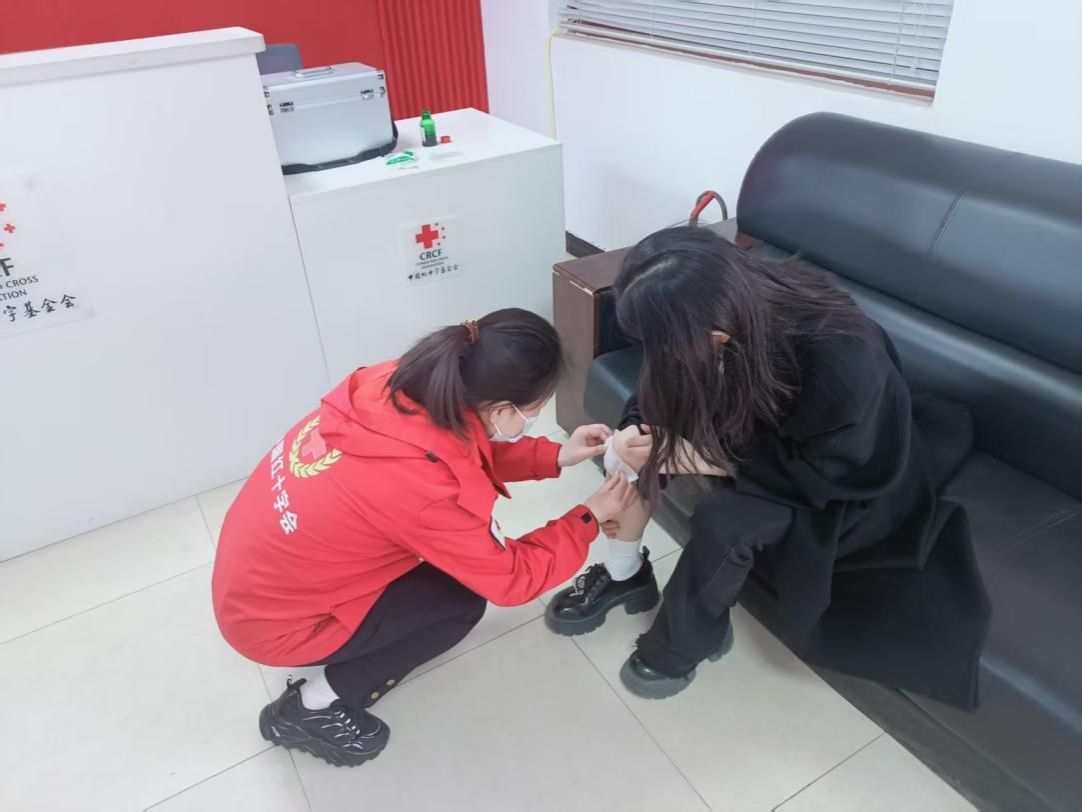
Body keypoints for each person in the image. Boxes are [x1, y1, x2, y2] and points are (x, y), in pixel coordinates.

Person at [545, 227, 988, 708]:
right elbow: (663, 378)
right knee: (640, 452)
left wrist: (703, 458)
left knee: (724, 525)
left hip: (834, 477)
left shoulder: (842, 357)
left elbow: (829, 472)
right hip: (754, 430)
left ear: (714, 336)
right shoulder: (714, 306)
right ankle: (625, 571)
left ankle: (682, 646)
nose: (658, 354)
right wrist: (634, 430)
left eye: (664, 342)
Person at [212, 308, 637, 767]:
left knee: (441, 560)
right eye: (533, 413)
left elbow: (460, 453)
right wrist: (588, 517)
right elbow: (512, 579)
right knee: (460, 603)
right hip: (276, 624)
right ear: (501, 410)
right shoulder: (424, 487)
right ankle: (310, 707)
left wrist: (556, 455)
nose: (532, 420)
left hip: (253, 577)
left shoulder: (398, 383)